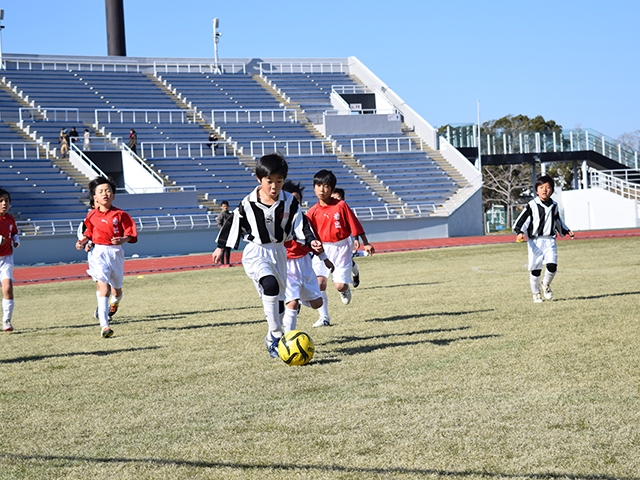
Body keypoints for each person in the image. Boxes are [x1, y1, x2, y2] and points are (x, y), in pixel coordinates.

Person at [212, 153, 325, 358]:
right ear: (259, 179)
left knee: (280, 302)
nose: (274, 187)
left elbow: (301, 224)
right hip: (256, 251)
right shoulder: (248, 202)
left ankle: (271, 334)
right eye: (269, 181)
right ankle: (276, 336)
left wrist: (311, 240)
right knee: (270, 285)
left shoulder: (289, 201)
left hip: (279, 252)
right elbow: (233, 223)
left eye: (279, 181)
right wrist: (221, 247)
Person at [307, 170, 375, 327]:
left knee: (339, 285)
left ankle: (345, 288)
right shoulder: (312, 212)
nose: (321, 190)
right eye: (318, 186)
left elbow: (355, 224)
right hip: (323, 249)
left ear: (331, 189)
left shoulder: (341, 206)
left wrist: (366, 242)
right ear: (314, 188)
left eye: (325, 186)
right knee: (319, 284)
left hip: (342, 247)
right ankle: (324, 318)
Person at [75, 176, 138, 338]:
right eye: (101, 191)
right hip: (98, 253)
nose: (105, 194)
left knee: (116, 290)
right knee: (104, 288)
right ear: (94, 197)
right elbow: (89, 231)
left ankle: (114, 303)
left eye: (108, 190)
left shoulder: (120, 215)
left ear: (113, 195)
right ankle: (104, 325)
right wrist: (82, 240)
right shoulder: (90, 215)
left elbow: (131, 234)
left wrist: (123, 239)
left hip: (115, 253)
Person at [282, 180, 334, 332]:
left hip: (304, 263)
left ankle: (294, 301)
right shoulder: (278, 219)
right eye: (291, 199)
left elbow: (313, 239)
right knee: (292, 302)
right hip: (286, 263)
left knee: (317, 303)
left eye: (297, 200)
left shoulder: (304, 219)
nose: (294, 203)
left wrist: (325, 258)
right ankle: (288, 338)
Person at [513, 174, 574, 303]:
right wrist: (519, 232)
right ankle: (536, 294)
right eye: (541, 187)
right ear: (536, 190)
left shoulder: (554, 205)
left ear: (552, 190)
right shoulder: (532, 205)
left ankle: (546, 284)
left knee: (552, 266)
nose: (544, 190)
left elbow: (558, 221)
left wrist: (566, 230)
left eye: (547, 187)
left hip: (550, 240)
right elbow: (522, 220)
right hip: (535, 242)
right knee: (536, 270)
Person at [331, 187, 361, 288]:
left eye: (338, 198)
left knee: (347, 260)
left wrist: (356, 238)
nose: (335, 200)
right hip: (333, 242)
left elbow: (354, 225)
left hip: (346, 239)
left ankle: (355, 274)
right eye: (333, 198)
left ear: (343, 199)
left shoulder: (345, 210)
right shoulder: (329, 210)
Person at [0, 188, 20, 332]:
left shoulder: (10, 218)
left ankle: (6, 320)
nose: (4, 203)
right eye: (0, 201)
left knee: (7, 287)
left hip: (6, 258)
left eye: (6, 200)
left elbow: (13, 233)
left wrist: (16, 240)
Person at [215, 200, 233, 265]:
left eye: (226, 206)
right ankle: (222, 263)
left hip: (229, 234)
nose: (225, 207)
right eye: (224, 206)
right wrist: (223, 230)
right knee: (222, 249)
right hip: (223, 234)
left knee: (228, 249)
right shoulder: (221, 214)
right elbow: (218, 223)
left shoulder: (230, 214)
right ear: (221, 207)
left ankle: (228, 263)